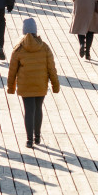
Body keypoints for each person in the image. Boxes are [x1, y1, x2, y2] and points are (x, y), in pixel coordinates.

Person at [7, 18, 60, 148]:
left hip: (25, 85)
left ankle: (29, 140)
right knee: (38, 109)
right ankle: (37, 136)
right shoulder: (45, 47)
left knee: (29, 110)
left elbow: (12, 70)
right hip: (40, 84)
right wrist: (55, 85)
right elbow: (51, 68)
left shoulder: (18, 48)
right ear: (36, 31)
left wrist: (11, 87)